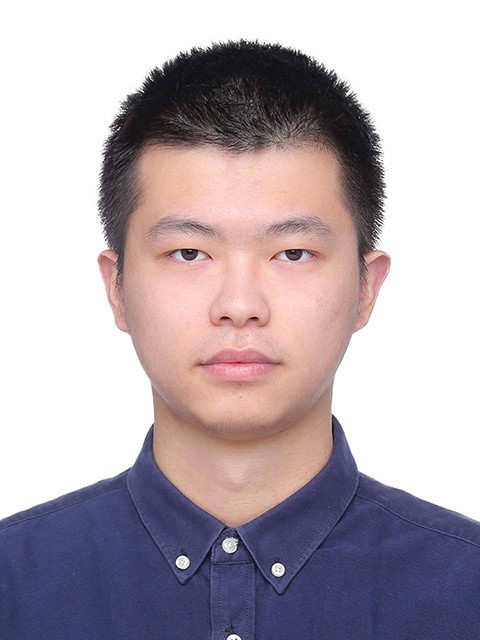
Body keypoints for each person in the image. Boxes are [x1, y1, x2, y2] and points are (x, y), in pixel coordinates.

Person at [1, 40, 479, 639]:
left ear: (366, 287)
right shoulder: (13, 586)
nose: (240, 306)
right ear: (117, 287)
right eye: (189, 252)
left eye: (293, 253)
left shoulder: (467, 589)